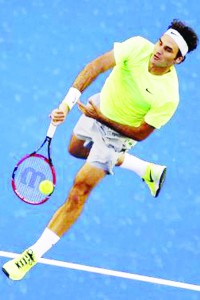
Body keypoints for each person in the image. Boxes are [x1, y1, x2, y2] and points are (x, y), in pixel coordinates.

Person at [2, 19, 198, 280]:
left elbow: (140, 133)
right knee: (74, 149)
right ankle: (146, 170)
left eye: (168, 50)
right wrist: (66, 106)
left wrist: (102, 119)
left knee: (79, 190)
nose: (158, 50)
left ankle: (32, 254)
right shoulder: (138, 46)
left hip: (118, 134)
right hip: (98, 108)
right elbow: (95, 67)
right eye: (160, 42)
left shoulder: (168, 97)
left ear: (178, 60)